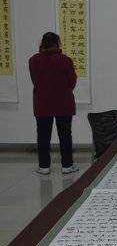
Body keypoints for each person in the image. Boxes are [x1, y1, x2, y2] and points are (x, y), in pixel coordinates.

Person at [29, 32, 78, 175]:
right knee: (65, 135)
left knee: (43, 135)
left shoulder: (34, 60)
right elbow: (72, 81)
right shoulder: (65, 60)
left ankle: (44, 166)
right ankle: (67, 165)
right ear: (58, 43)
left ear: (42, 43)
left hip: (42, 103)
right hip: (64, 103)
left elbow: (35, 80)